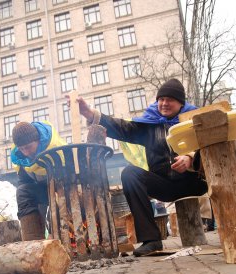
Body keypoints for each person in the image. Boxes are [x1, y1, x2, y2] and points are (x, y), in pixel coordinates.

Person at [69, 79, 208, 256]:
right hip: (164, 184)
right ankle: (152, 240)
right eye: (161, 99)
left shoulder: (193, 119)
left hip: (193, 181)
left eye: (170, 99)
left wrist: (190, 158)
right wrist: (89, 114)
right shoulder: (149, 124)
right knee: (130, 173)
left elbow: (209, 144)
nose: (164, 103)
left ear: (181, 103)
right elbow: (122, 127)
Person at [11, 120, 66, 241]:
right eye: (22, 149)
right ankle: (34, 242)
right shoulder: (22, 158)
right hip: (43, 191)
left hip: (64, 191)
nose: (26, 152)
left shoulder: (56, 149)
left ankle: (60, 238)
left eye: (29, 147)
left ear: (38, 141)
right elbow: (25, 182)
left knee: (58, 200)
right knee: (23, 191)